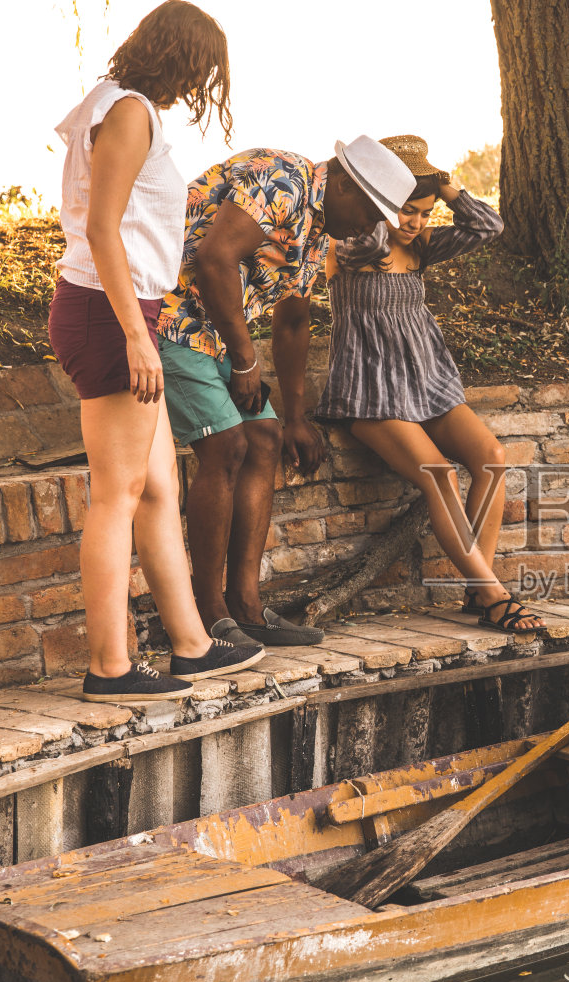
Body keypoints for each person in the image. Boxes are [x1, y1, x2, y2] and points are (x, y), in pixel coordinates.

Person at [48, 0, 264, 702]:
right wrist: (139, 337)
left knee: (161, 486)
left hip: (118, 309)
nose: (203, 85)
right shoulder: (131, 110)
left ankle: (193, 645)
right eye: (203, 70)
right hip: (111, 313)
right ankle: (109, 666)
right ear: (182, 58)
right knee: (118, 494)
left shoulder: (112, 104)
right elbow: (103, 229)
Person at [157, 136, 417, 645]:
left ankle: (247, 608)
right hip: (167, 317)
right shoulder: (281, 178)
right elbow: (214, 260)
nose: (369, 227)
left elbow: (294, 320)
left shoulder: (322, 231)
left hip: (214, 334)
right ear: (341, 181)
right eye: (368, 211)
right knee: (226, 445)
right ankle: (209, 616)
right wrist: (247, 360)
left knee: (266, 439)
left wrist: (295, 415)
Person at [310, 134, 543, 632]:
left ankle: (480, 592)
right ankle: (494, 595)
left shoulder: (422, 246)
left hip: (427, 379)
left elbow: (488, 225)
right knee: (439, 474)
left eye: (424, 212)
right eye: (404, 210)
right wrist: (388, 203)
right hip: (371, 388)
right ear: (381, 203)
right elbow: (374, 232)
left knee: (492, 459)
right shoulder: (356, 244)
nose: (414, 223)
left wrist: (450, 189)